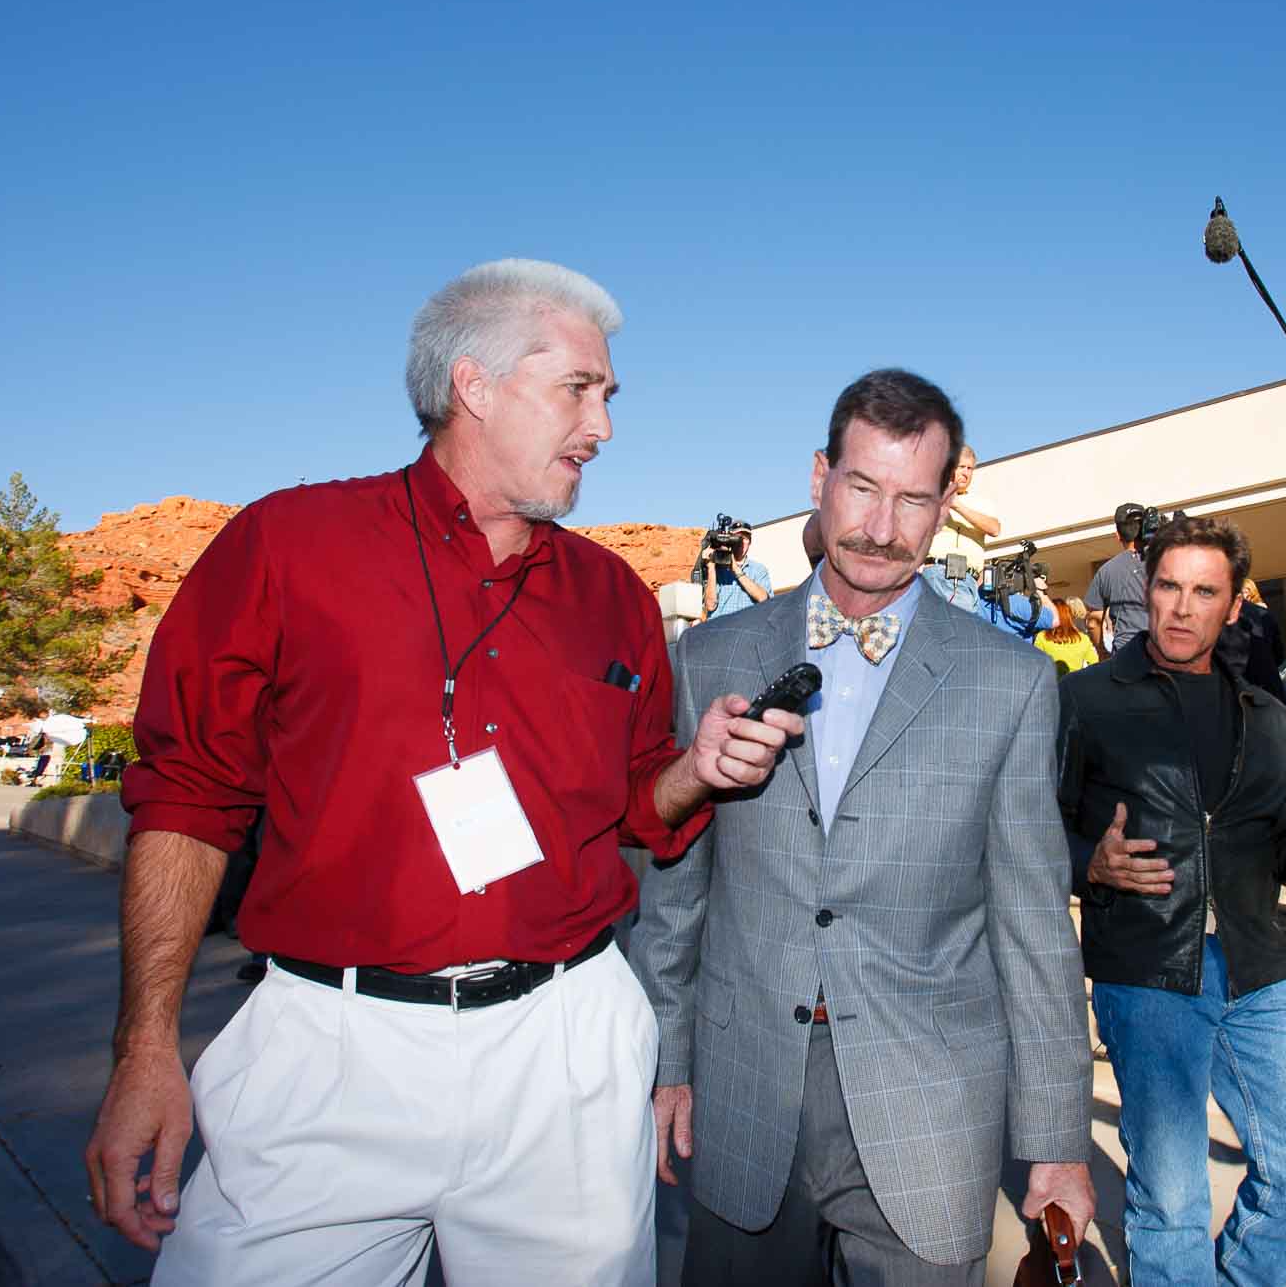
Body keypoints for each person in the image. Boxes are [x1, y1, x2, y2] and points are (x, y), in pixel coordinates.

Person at [83, 259, 802, 1286]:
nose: (602, 426)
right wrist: (144, 1044)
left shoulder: (616, 597)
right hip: (329, 1052)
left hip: (565, 1047)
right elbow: (188, 800)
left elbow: (640, 810)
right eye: (579, 390)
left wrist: (698, 769)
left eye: (608, 397)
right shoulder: (286, 548)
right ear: (475, 385)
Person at [630, 368, 1095, 1286]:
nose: (883, 528)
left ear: (947, 502)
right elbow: (677, 890)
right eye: (863, 488)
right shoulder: (712, 655)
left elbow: (1034, 927)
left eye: (914, 500)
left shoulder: (1013, 682)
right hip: (744, 1087)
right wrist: (666, 1061)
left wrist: (1058, 1143)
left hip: (932, 1107)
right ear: (818, 477)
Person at [1058, 514, 1286, 1287]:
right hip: (1149, 971)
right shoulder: (1086, 700)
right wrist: (1092, 862)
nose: (1182, 608)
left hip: (1261, 968)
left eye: (1204, 591)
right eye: (1167, 587)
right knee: (1173, 1199)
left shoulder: (1268, 716)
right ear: (1145, 590)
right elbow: (1026, 831)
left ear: (1233, 604)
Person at [919, 442, 1002, 610]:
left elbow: (994, 529)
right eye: (961, 467)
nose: (965, 473)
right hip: (935, 572)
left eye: (970, 468)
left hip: (964, 578)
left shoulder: (981, 503)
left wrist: (957, 506)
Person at [1085, 502, 1151, 655]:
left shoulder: (1106, 571)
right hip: (1166, 652)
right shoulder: (1167, 560)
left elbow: (1093, 620)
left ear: (1118, 536)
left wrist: (1103, 654)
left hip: (1126, 655)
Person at [1215, 577, 1286, 706]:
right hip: (1271, 694)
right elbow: (1279, 656)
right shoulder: (1264, 614)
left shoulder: (1218, 617)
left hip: (1240, 698)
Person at [701, 525, 772, 619]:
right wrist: (711, 567)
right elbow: (710, 605)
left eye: (745, 538)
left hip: (745, 627)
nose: (741, 542)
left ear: (750, 542)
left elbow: (764, 599)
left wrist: (736, 569)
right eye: (737, 538)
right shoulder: (717, 569)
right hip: (719, 626)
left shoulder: (758, 570)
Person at [1035, 597, 1100, 677]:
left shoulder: (1042, 637)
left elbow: (1036, 664)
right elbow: (1095, 664)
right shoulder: (1083, 638)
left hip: (1050, 685)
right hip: (1075, 684)